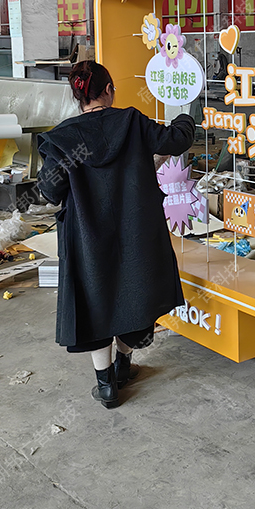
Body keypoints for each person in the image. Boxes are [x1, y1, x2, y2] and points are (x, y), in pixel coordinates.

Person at [37, 60, 195, 409]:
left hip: (86, 236)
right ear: (108, 90)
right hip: (137, 230)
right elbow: (177, 139)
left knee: (96, 302)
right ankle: (124, 363)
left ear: (78, 96)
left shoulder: (64, 138)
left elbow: (49, 191)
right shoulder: (132, 122)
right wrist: (185, 115)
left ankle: (106, 384)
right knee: (135, 294)